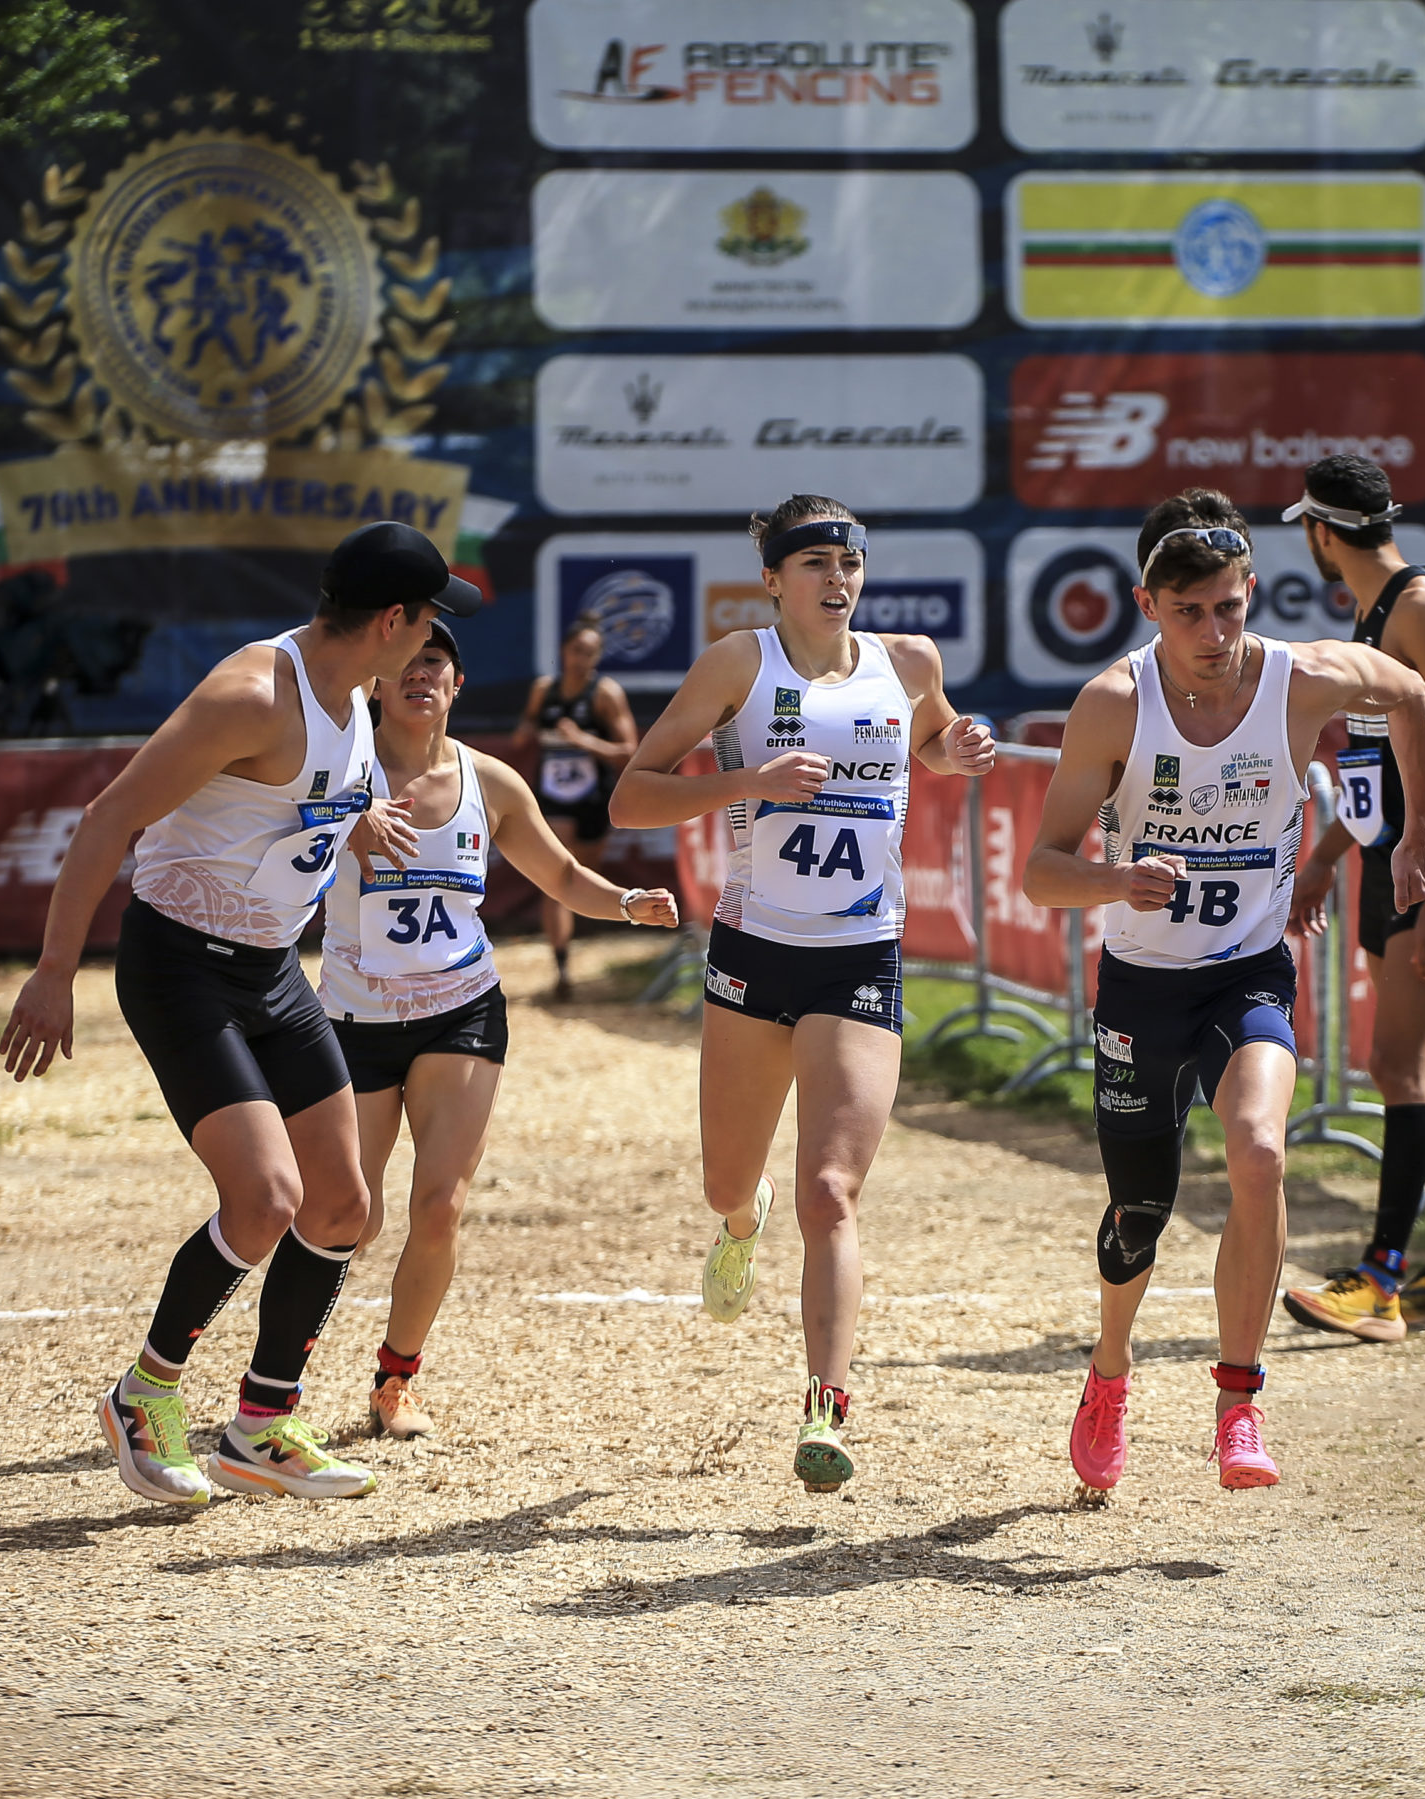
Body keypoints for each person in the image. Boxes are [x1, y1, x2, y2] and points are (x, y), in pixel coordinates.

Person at [0, 520, 480, 1505]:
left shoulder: (353, 697)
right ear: (390, 620)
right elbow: (109, 816)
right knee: (266, 1198)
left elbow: (296, 797)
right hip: (180, 967)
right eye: (428, 619)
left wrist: (357, 819)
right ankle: (144, 1393)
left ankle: (261, 1424)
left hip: (270, 970)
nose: (433, 641)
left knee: (342, 1204)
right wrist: (53, 970)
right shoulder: (252, 693)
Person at [1022, 489, 1425, 1495]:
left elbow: (1414, 695)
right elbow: (1040, 871)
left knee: (1259, 1150)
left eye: (1230, 607)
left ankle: (1238, 1401)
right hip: (1140, 986)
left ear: (1251, 590)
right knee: (1139, 1212)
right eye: (1189, 613)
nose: (1214, 633)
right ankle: (1109, 1372)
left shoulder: (1302, 680)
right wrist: (1117, 880)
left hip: (1247, 974)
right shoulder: (1114, 703)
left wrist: (1416, 835)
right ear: (1147, 607)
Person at [610, 495, 996, 1492]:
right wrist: (749, 784)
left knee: (832, 1189)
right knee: (727, 1183)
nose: (837, 578)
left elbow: (932, 742)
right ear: (773, 580)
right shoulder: (737, 665)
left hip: (860, 954)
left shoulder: (908, 662)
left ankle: (826, 1403)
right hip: (753, 950)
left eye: (850, 562)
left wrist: (955, 751)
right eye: (816, 563)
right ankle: (741, 1226)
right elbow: (633, 794)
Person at [324, 620, 677, 1439]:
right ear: (375, 680)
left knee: (440, 1205)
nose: (420, 674)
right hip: (354, 1016)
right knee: (349, 1215)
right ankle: (278, 1376)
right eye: (405, 662)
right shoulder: (337, 770)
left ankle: (395, 1381)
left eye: (436, 662)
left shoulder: (491, 782)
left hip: (462, 1009)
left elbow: (562, 874)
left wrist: (626, 903)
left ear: (457, 684)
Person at [1276, 455, 1425, 1344]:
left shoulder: (1422, 607)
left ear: (1321, 532)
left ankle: (1379, 1282)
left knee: (1395, 1062)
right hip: (1394, 858)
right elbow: (1380, 771)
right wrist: (1328, 855)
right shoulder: (1374, 611)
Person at [512, 617, 639, 1000]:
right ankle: (562, 964)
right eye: (576, 651)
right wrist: (526, 733)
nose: (582, 659)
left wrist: (583, 741)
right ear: (563, 652)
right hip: (553, 796)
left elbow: (629, 751)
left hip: (592, 798)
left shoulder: (605, 694)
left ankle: (577, 952)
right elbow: (524, 730)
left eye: (590, 652)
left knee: (584, 875)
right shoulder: (543, 690)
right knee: (559, 877)